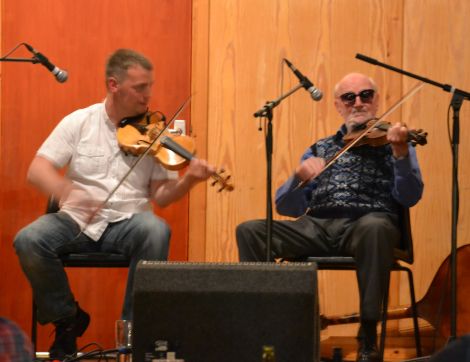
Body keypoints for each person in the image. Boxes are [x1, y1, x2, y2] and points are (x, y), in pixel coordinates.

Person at [13, 49, 215, 359]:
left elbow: (161, 196)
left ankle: (134, 336)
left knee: (156, 230)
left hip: (128, 222)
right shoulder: (79, 122)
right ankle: (67, 320)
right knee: (28, 239)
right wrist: (68, 191)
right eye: (140, 87)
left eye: (149, 86)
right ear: (113, 85)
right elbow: (37, 170)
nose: (148, 95)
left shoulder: (154, 132)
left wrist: (189, 180)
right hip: (77, 222)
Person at [236, 73, 424, 362]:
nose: (358, 102)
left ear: (376, 100)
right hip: (317, 226)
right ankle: (265, 327)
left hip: (366, 224)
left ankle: (368, 337)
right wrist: (297, 177)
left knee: (375, 227)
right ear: (338, 105)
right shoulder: (320, 148)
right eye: (350, 97)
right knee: (250, 231)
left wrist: (400, 153)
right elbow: (286, 208)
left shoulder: (393, 143)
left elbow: (409, 196)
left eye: (366, 95)